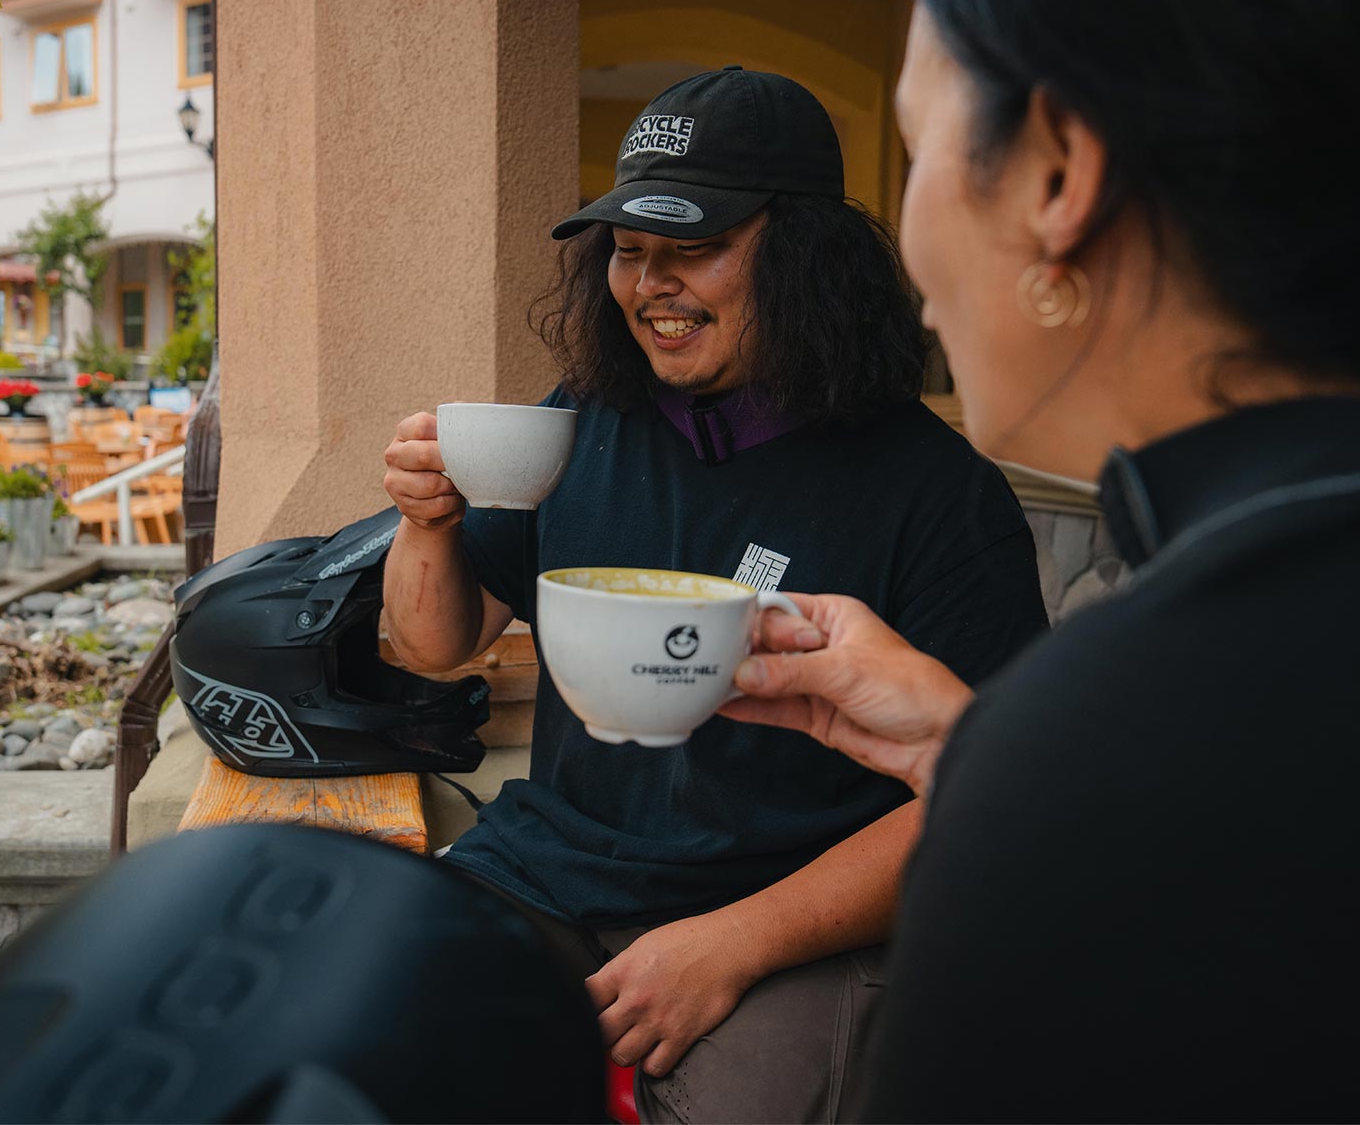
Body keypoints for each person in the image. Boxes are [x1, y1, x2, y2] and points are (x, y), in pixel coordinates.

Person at [726, 0, 1360, 1119]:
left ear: (1058, 174)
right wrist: (977, 747)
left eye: (921, 151)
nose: (910, 250)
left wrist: (1034, 772)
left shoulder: (1124, 730)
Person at [381, 67, 1049, 1123]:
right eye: (630, 253)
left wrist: (737, 942)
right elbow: (435, 643)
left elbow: (978, 802)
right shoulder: (586, 422)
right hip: (553, 866)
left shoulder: (939, 496)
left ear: (803, 259)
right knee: (374, 1027)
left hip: (794, 912)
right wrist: (427, 520)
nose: (651, 285)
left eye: (692, 248)